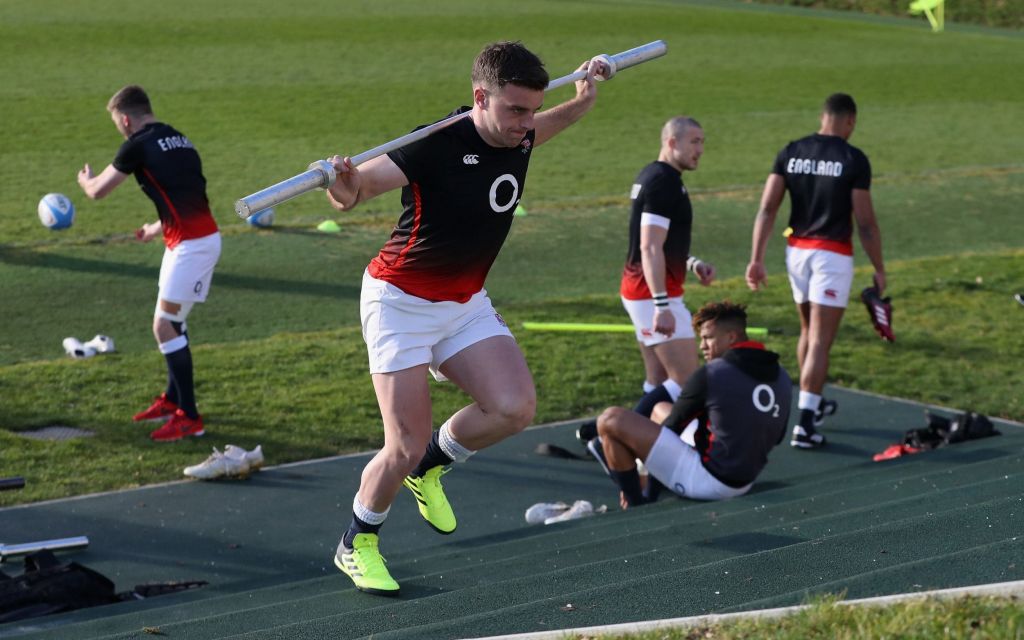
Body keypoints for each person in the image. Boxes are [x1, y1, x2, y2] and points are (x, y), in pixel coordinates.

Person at [323, 42, 608, 596]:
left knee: (514, 408)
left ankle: (432, 466)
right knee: (399, 445)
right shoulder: (433, 143)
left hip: (464, 301)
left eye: (532, 110)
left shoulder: (520, 131)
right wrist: (338, 177)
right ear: (480, 97)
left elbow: (547, 126)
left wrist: (582, 99)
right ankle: (356, 542)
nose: (526, 125)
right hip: (399, 302)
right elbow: (355, 192)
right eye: (516, 111)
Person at [77, 85, 221, 442]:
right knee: (173, 320)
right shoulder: (180, 139)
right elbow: (189, 195)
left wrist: (84, 181)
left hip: (192, 246)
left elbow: (98, 191)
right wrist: (155, 227)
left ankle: (190, 416)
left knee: (164, 326)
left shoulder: (136, 144)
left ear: (125, 119)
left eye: (117, 123)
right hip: (188, 240)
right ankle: (174, 401)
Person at [745, 93, 885, 449]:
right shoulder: (853, 159)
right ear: (850, 121)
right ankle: (805, 424)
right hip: (832, 255)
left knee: (808, 331)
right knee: (822, 339)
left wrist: (756, 258)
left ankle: (813, 404)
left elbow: (766, 209)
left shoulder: (791, 151)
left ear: (823, 117)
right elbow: (866, 224)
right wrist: (879, 268)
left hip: (796, 253)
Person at [576, 117, 715, 448]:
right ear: (671, 142)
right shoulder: (662, 183)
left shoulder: (656, 176)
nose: (700, 150)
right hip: (650, 295)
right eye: (694, 141)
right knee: (687, 382)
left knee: (658, 380)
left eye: (702, 142)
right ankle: (629, 441)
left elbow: (659, 241)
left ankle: (613, 440)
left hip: (641, 291)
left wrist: (692, 262)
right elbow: (649, 246)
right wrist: (662, 305)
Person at [591, 301, 791, 508]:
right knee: (660, 409)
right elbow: (777, 437)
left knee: (610, 419)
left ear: (731, 337)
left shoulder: (712, 373)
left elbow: (672, 429)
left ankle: (635, 503)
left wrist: (648, 483)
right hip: (745, 480)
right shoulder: (782, 376)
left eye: (707, 338)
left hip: (707, 481)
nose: (702, 346)